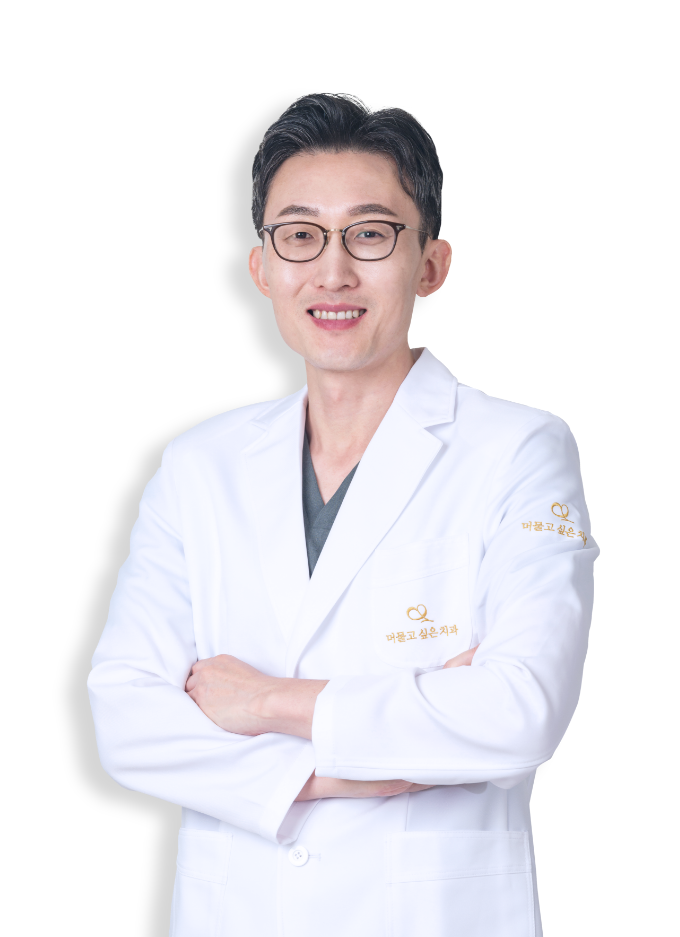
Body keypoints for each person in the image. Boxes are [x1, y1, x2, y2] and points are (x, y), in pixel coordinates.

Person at [87, 92, 598, 937]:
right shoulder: (199, 464)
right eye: (300, 235)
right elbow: (125, 718)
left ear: (430, 264)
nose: (332, 273)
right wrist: (354, 768)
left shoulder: (518, 449)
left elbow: (520, 709)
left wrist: (264, 701)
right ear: (262, 268)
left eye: (370, 234)